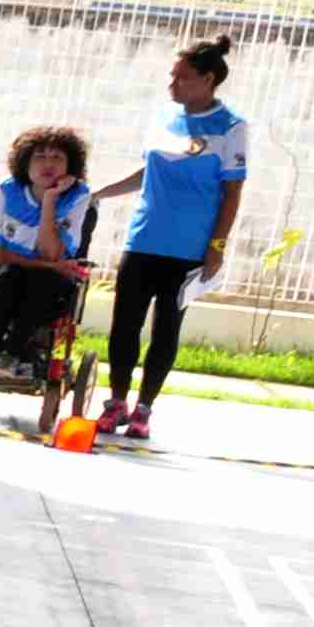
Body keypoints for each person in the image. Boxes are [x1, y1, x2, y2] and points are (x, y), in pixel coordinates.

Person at [83, 36, 245, 441]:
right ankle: (116, 402)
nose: (171, 85)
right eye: (171, 76)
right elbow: (147, 173)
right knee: (124, 327)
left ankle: (144, 409)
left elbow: (232, 193)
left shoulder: (231, 129)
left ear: (208, 79)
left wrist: (217, 246)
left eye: (181, 77)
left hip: (189, 250)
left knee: (165, 331)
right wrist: (96, 194)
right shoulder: (162, 119)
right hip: (143, 241)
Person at [0, 124, 99, 362]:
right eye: (40, 156)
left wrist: (49, 200)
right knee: (9, 274)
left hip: (47, 286)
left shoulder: (78, 196)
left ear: (70, 166)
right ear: (25, 162)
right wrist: (48, 266)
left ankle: (11, 356)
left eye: (57, 157)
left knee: (39, 281)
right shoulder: (7, 190)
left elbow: (51, 254)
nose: (48, 164)